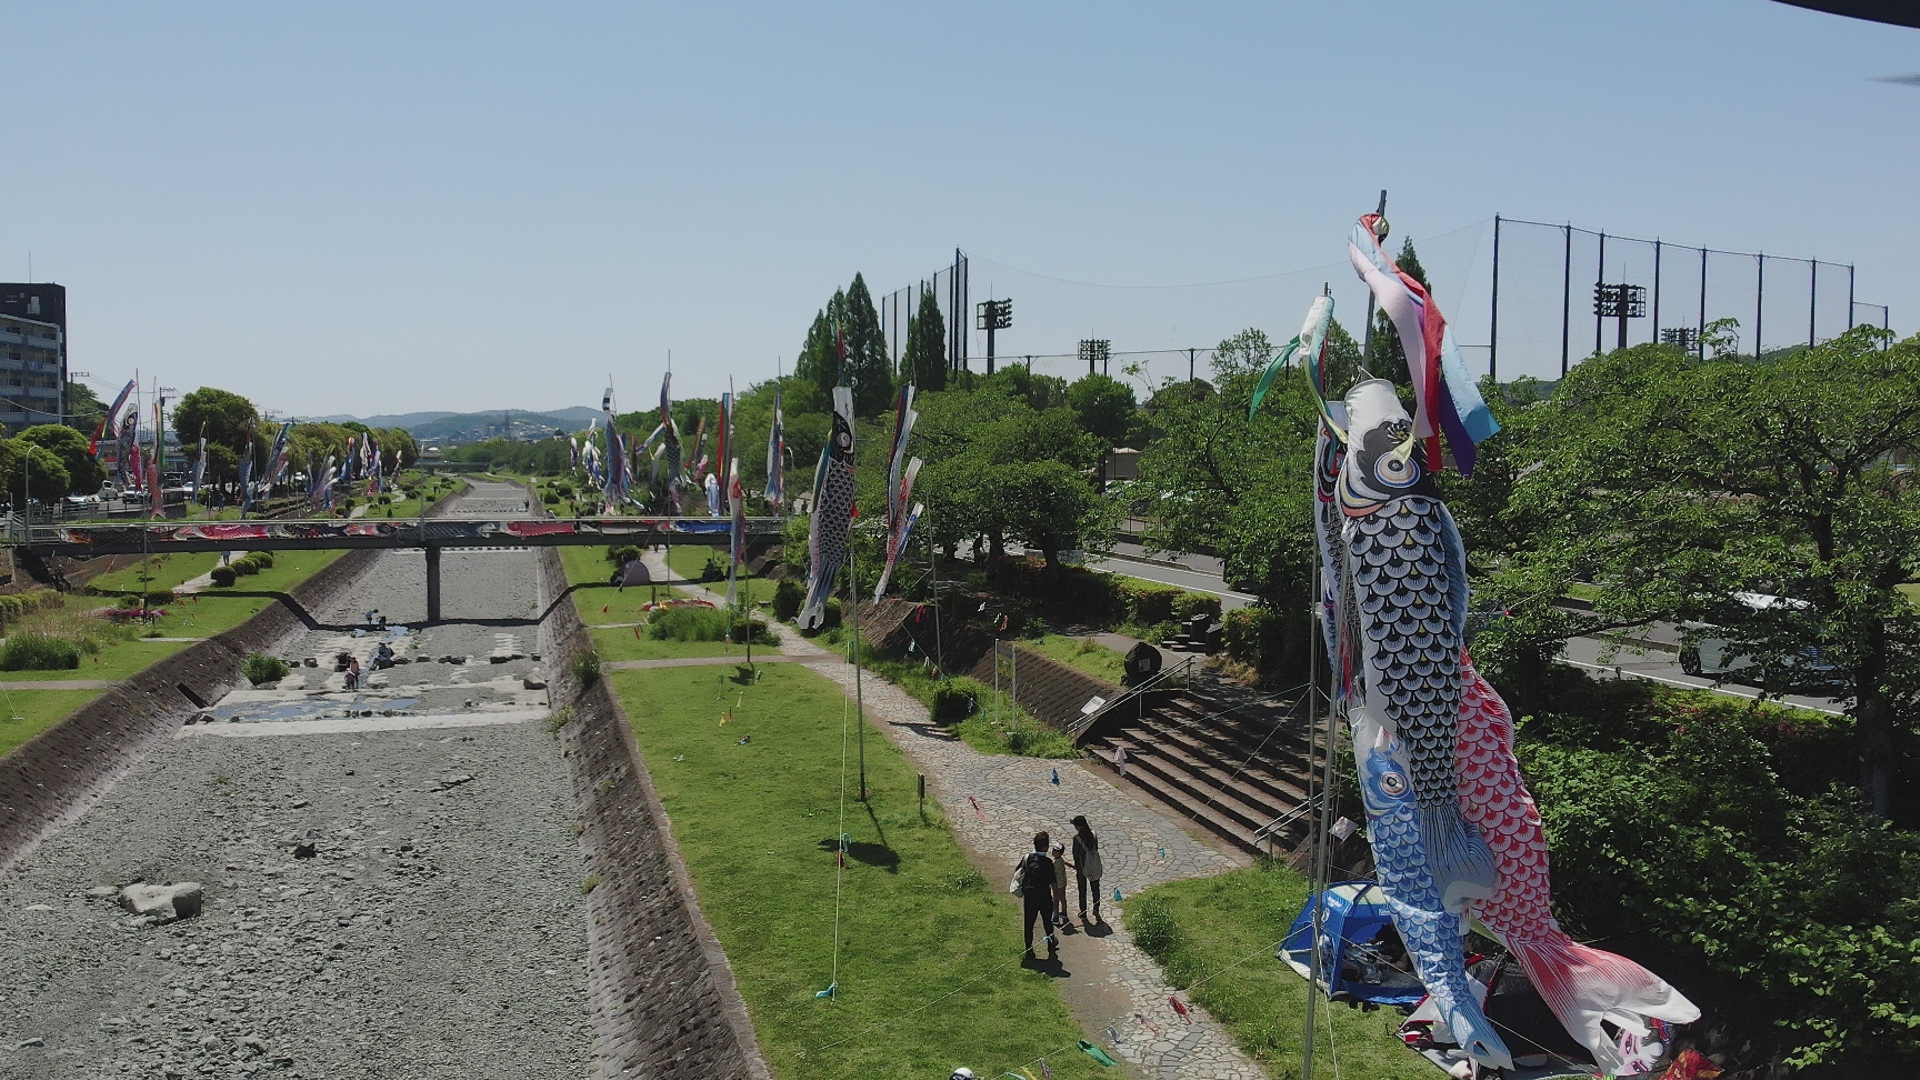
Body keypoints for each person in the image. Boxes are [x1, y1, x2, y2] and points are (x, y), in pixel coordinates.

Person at [1013, 831, 1057, 961]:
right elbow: (1053, 882)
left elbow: (1018, 871)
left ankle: (1029, 949)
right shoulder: (1048, 862)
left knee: (1029, 923)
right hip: (1044, 897)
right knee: (1047, 923)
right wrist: (1056, 900)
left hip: (1030, 896)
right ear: (1044, 847)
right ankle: (1050, 946)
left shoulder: (1027, 858)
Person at [1069, 815, 1104, 924]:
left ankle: (1083, 912)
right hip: (1093, 865)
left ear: (1078, 827)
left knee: (1082, 890)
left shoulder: (1077, 838)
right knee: (1095, 888)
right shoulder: (1093, 835)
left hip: (1082, 867)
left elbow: (1075, 854)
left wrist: (1077, 866)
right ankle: (1096, 909)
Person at [1048, 840, 1071, 930]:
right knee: (1062, 897)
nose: (1053, 852)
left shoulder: (1055, 863)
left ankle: (1056, 917)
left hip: (1057, 884)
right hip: (1063, 883)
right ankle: (1064, 912)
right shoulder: (1060, 860)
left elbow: (1053, 873)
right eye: (1053, 850)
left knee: (1056, 899)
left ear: (1060, 853)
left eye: (1055, 851)